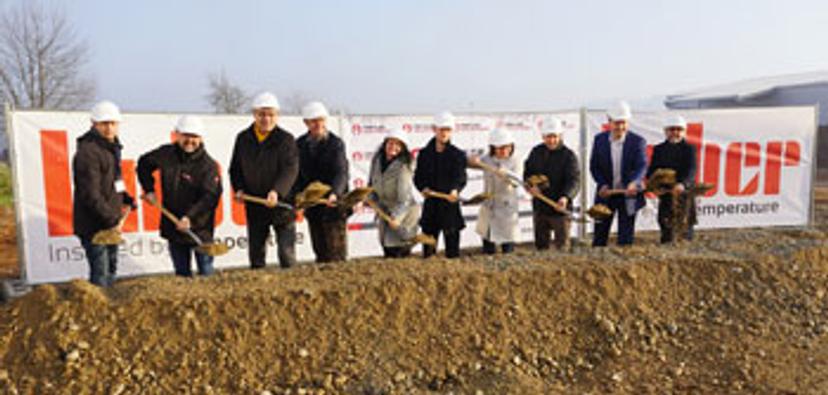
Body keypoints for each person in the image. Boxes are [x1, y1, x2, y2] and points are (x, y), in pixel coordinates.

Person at [137, 116, 222, 277]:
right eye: (186, 136)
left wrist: (189, 217)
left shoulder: (208, 166)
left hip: (199, 230)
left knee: (206, 274)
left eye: (194, 137)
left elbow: (210, 197)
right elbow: (143, 164)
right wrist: (149, 189)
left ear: (201, 138)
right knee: (182, 276)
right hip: (174, 227)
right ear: (177, 135)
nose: (190, 140)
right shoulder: (166, 154)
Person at [229, 92, 299, 269]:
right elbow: (235, 168)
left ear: (277, 116)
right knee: (256, 254)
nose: (266, 119)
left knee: (286, 253)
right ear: (254, 114)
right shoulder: (243, 138)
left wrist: (277, 191)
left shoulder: (286, 140)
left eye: (270, 114)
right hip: (255, 203)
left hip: (281, 204)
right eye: (262, 114)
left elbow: (290, 170)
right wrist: (239, 188)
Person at [72, 101, 135, 287]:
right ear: (94, 124)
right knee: (101, 275)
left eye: (113, 123)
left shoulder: (112, 149)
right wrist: (112, 220)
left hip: (109, 223)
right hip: (94, 226)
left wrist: (126, 197)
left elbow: (116, 181)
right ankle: (98, 312)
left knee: (112, 270)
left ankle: (109, 312)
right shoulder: (88, 153)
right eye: (104, 124)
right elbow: (90, 194)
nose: (109, 128)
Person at [290, 101, 349, 263]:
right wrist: (298, 197)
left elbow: (341, 172)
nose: (318, 124)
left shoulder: (335, 144)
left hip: (333, 205)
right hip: (313, 205)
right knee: (320, 251)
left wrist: (335, 193)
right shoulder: (299, 145)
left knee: (336, 253)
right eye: (313, 121)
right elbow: (296, 174)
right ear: (306, 123)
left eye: (320, 120)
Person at [590, 101, 648, 246]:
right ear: (609, 122)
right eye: (617, 123)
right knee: (599, 235)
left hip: (629, 195)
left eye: (623, 123)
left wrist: (634, 182)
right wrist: (602, 184)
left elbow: (641, 165)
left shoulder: (638, 142)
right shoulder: (599, 140)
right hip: (606, 195)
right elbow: (594, 166)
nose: (620, 127)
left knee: (626, 236)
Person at [414, 111, 467, 258]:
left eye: (447, 129)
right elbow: (418, 177)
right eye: (441, 129)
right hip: (431, 207)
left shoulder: (457, 155)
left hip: (449, 206)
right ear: (434, 129)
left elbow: (461, 177)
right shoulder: (424, 154)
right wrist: (422, 188)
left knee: (452, 252)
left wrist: (456, 190)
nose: (444, 133)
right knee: (428, 254)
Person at [523, 118, 580, 250]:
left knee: (562, 248)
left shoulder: (569, 156)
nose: (551, 140)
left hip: (559, 210)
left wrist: (565, 197)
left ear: (560, 136)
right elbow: (528, 173)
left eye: (554, 136)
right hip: (540, 209)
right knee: (541, 247)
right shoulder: (536, 153)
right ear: (543, 137)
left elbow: (574, 180)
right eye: (548, 137)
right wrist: (531, 186)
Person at [368, 129, 420, 258]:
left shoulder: (404, 166)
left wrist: (396, 217)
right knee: (387, 249)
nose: (393, 147)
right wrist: (368, 198)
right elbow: (371, 185)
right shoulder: (377, 160)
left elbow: (405, 198)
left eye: (398, 145)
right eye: (390, 143)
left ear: (402, 149)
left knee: (399, 251)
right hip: (385, 212)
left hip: (403, 214)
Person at [647, 114, 698, 243]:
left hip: (684, 194)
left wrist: (682, 184)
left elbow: (691, 170)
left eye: (678, 129)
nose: (675, 133)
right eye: (671, 129)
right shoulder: (659, 149)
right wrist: (654, 187)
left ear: (684, 132)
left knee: (685, 227)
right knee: (666, 226)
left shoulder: (689, 149)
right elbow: (652, 170)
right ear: (666, 131)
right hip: (666, 194)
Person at [471, 128, 520, 254]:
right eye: (499, 148)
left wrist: (506, 174)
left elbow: (517, 182)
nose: (503, 151)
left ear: (511, 146)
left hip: (506, 210)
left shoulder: (515, 161)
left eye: (506, 147)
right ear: (493, 148)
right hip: (489, 207)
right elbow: (472, 163)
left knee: (507, 248)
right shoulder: (487, 159)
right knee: (488, 245)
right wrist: (472, 161)